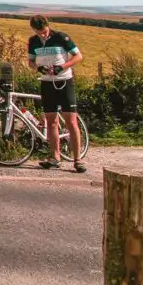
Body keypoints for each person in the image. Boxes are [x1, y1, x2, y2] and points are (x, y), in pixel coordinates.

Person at [27, 15, 86, 173]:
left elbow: (78, 56)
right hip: (47, 83)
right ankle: (55, 158)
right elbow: (30, 62)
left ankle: (77, 160)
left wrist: (62, 66)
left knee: (71, 122)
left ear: (48, 26)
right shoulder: (33, 41)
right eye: (39, 32)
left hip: (64, 82)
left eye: (44, 31)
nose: (43, 35)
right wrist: (38, 68)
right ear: (34, 30)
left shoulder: (60, 37)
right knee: (51, 122)